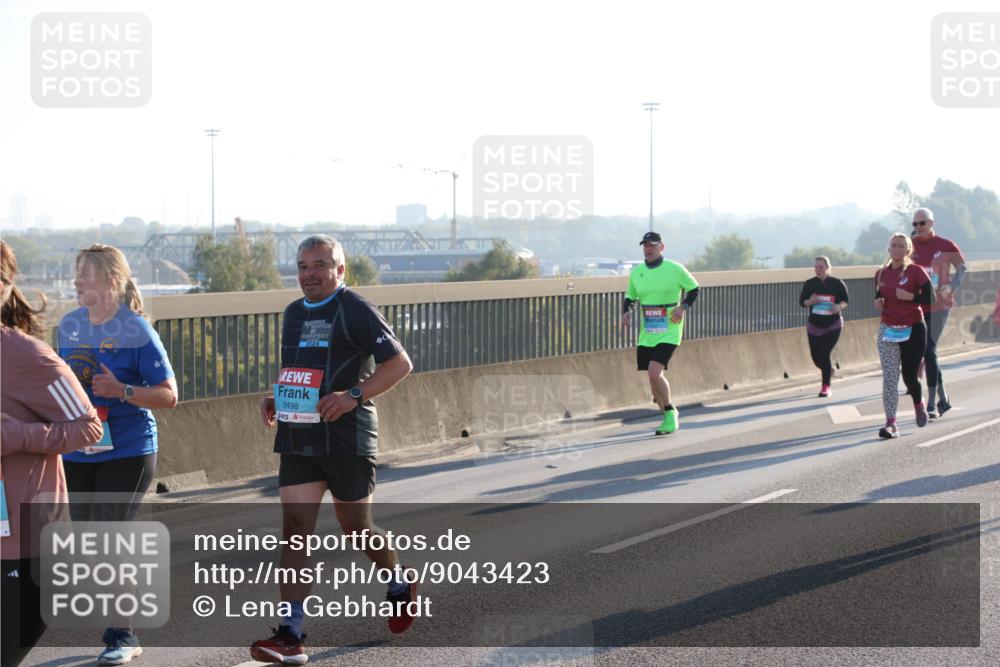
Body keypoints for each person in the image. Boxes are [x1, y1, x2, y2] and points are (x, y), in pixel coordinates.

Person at [251, 235, 414, 665]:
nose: (310, 274)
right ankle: (291, 632)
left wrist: (352, 395)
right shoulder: (291, 313)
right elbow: (299, 367)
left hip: (348, 436)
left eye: (320, 265)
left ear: (339, 270)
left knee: (356, 527)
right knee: (295, 528)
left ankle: (398, 581)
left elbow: (399, 363)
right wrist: (278, 396)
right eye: (303, 266)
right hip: (300, 437)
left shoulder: (356, 308)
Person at [57, 244, 177, 666]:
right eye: (76, 273)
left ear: (110, 280)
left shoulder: (137, 330)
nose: (76, 281)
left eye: (84, 274)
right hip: (78, 448)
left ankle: (122, 634)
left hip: (127, 448)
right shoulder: (68, 326)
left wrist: (122, 391)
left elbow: (169, 395)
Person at [1, 241, 103, 667]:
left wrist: (18, 435)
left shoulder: (29, 356)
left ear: (5, 286)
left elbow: (89, 427)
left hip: (24, 538)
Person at [621, 231, 700, 435]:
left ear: (661, 247)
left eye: (652, 245)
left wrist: (682, 308)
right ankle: (666, 414)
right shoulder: (637, 272)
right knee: (652, 377)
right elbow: (630, 297)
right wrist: (626, 313)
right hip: (648, 331)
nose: (648, 249)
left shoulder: (675, 269)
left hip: (670, 329)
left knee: (654, 372)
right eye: (645, 245)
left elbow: (694, 289)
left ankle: (670, 412)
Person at [874, 233, 933, 439]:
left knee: (909, 376)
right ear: (888, 250)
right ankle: (891, 424)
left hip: (913, 328)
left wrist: (911, 297)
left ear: (908, 251)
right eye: (893, 245)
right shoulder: (880, 274)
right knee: (890, 377)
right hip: (888, 329)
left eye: (901, 246)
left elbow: (931, 297)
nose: (897, 249)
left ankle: (919, 402)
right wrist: (878, 303)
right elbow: (879, 295)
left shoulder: (916, 272)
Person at [910, 207, 966, 418]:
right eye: (914, 224)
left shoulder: (945, 245)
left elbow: (962, 268)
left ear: (931, 223)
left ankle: (932, 404)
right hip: (917, 306)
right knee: (927, 352)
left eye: (921, 223)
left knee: (929, 349)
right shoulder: (910, 246)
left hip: (941, 304)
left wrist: (951, 286)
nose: (917, 228)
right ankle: (943, 398)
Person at [798, 256, 849, 397]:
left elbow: (846, 300)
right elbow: (802, 302)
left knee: (824, 353)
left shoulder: (837, 283)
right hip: (814, 325)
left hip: (833, 325)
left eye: (820, 267)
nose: (817, 270)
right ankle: (828, 370)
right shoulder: (809, 284)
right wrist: (811, 301)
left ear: (827, 268)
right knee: (816, 359)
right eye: (815, 267)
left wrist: (838, 307)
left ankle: (826, 386)